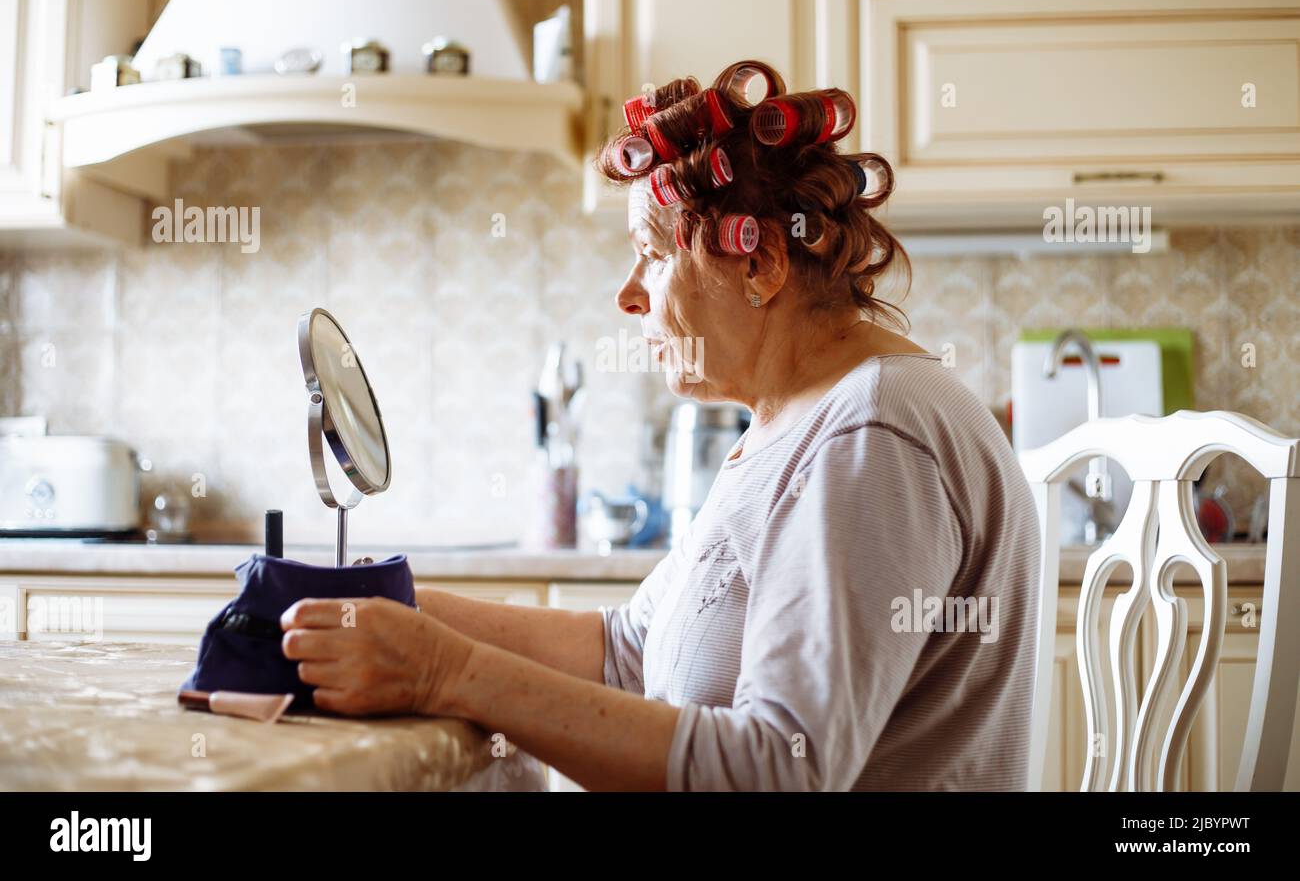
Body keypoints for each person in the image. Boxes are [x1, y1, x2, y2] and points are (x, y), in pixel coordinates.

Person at [281, 59, 1041, 791]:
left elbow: (780, 769)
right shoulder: (797, 420)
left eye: (650, 254)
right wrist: (390, 602)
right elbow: (628, 650)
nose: (627, 295)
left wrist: (447, 673)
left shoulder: (873, 439)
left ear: (761, 265)